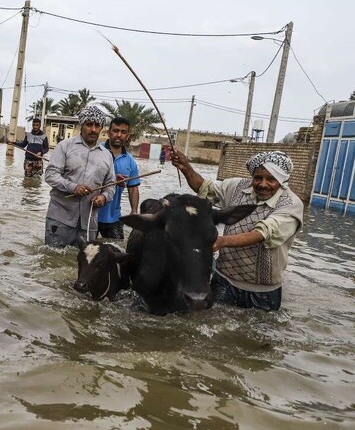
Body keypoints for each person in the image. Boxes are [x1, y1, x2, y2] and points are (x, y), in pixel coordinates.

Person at [171, 149, 304, 311]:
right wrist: (186, 167)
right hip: (225, 280)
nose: (263, 184)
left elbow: (262, 233)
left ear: (282, 181)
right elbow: (204, 187)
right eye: (258, 178)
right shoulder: (237, 187)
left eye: (271, 179)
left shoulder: (291, 204)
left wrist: (221, 241)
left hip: (262, 290)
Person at [44, 106, 116, 247]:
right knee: (52, 261)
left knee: (84, 267)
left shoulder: (107, 155)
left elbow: (111, 185)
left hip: (89, 223)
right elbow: (50, 174)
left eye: (97, 125)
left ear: (102, 128)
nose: (93, 129)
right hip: (60, 219)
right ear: (81, 125)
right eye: (89, 124)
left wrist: (104, 197)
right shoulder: (64, 147)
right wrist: (73, 187)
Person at [96, 116, 140, 239]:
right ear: (109, 132)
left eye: (123, 132)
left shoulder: (130, 161)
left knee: (118, 252)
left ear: (127, 135)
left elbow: (133, 188)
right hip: (91, 214)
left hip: (114, 217)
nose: (119, 135)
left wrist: (134, 211)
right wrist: (113, 179)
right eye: (115, 131)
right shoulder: (96, 151)